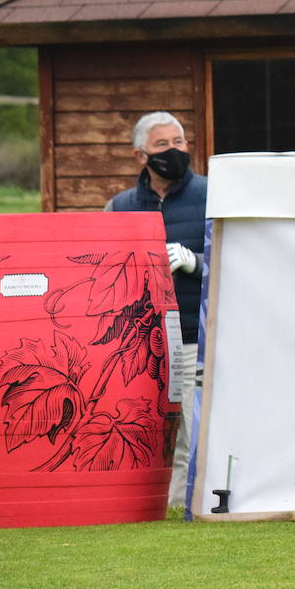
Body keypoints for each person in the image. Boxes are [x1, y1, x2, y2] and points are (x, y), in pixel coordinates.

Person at [105, 111, 207, 508]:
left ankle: (184, 504)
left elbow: (241, 262)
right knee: (144, 423)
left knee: (189, 427)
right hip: (140, 340)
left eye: (178, 143)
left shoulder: (211, 197)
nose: (173, 151)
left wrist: (196, 262)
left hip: (193, 335)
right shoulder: (120, 207)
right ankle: (144, 501)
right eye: (162, 145)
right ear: (140, 155)